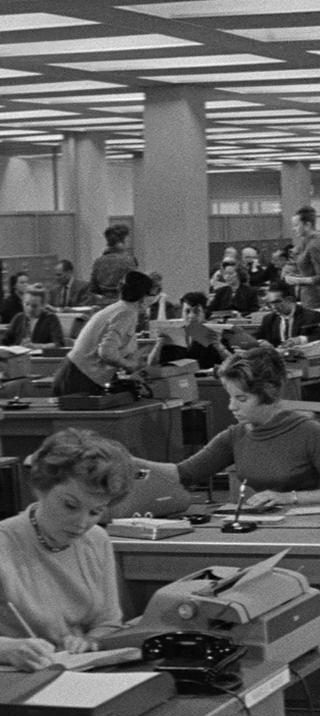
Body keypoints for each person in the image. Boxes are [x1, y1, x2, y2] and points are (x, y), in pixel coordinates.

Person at [0, 429, 135, 670]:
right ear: (41, 488)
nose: (82, 523)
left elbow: (108, 623)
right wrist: (6, 648)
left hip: (76, 672)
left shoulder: (97, 539)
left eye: (95, 511)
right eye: (70, 505)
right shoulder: (4, 542)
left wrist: (89, 642)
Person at [173, 348, 320, 504]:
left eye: (242, 399)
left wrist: (289, 498)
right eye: (231, 397)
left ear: (268, 394)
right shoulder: (235, 435)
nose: (231, 406)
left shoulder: (310, 432)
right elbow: (184, 473)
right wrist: (152, 469)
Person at [54, 270, 152, 396]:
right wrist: (130, 365)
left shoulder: (119, 308)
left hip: (74, 373)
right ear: (143, 296)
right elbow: (107, 352)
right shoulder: (127, 313)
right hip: (81, 378)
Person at [152, 292, 232, 369]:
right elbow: (152, 365)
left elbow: (233, 363)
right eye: (187, 311)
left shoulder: (213, 332)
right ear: (181, 312)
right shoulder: (174, 333)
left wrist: (219, 347)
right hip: (179, 376)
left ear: (204, 312)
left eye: (196, 312)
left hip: (206, 376)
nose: (191, 316)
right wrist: (158, 345)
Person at [285, 206, 320, 310]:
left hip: (316, 298)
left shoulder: (314, 245)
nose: (293, 229)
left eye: (296, 225)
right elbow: (308, 272)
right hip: (307, 296)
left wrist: (297, 280)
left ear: (307, 225)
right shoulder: (305, 243)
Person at [256, 281, 320, 347]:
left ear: (290, 299)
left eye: (276, 302)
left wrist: (301, 340)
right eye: (270, 303)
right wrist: (261, 342)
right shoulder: (268, 319)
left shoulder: (313, 316)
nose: (273, 307)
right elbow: (258, 338)